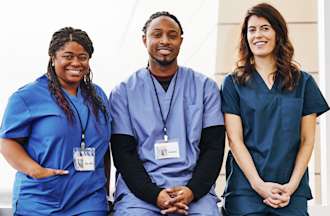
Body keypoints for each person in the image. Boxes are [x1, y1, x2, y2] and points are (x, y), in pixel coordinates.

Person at [109, 11, 225, 215]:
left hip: (192, 190)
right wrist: (154, 195)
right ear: (145, 40)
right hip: (140, 194)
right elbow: (123, 154)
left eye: (172, 35)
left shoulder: (205, 87)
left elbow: (214, 149)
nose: (165, 41)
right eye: (157, 34)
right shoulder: (124, 92)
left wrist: (192, 191)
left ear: (180, 41)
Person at [221, 3, 330, 216]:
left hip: (290, 190)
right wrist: (258, 184)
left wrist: (292, 185)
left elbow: (308, 141)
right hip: (246, 191)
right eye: (252, 30)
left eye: (265, 28)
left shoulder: (303, 82)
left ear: (278, 33)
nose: (258, 35)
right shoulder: (232, 83)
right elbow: (235, 140)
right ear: (245, 37)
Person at [0, 27, 111, 216]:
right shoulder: (28, 96)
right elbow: (7, 141)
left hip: (89, 200)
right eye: (68, 56)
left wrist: (105, 190)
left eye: (82, 57)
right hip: (42, 199)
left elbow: (104, 147)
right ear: (53, 57)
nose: (76, 63)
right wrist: (36, 171)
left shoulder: (98, 96)